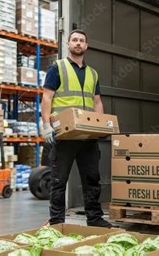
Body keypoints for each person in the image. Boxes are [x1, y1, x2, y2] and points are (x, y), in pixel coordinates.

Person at [41, 29, 112, 228]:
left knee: (92, 179)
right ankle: (57, 222)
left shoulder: (93, 73)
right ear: (69, 44)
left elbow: (97, 102)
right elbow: (47, 97)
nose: (78, 43)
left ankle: (94, 218)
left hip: (87, 136)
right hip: (64, 136)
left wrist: (99, 124)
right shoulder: (58, 67)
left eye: (81, 40)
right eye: (74, 40)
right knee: (58, 181)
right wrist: (46, 125)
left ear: (86, 46)